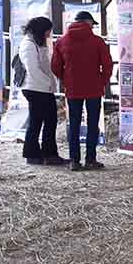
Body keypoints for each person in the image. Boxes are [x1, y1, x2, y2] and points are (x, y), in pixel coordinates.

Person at [52, 11, 113, 171]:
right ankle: (91, 160)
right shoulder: (98, 42)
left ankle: (74, 160)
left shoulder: (61, 42)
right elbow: (107, 65)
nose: (93, 26)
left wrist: (66, 79)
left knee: (74, 124)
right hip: (94, 88)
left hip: (72, 89)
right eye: (92, 23)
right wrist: (102, 81)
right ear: (87, 22)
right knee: (93, 124)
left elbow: (55, 66)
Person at [18, 17, 67, 166]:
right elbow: (33, 69)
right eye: (47, 31)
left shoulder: (37, 43)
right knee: (41, 121)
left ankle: (40, 154)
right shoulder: (28, 45)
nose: (49, 34)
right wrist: (48, 84)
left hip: (40, 88)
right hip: (35, 88)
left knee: (42, 121)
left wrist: (51, 83)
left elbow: (44, 65)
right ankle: (41, 154)